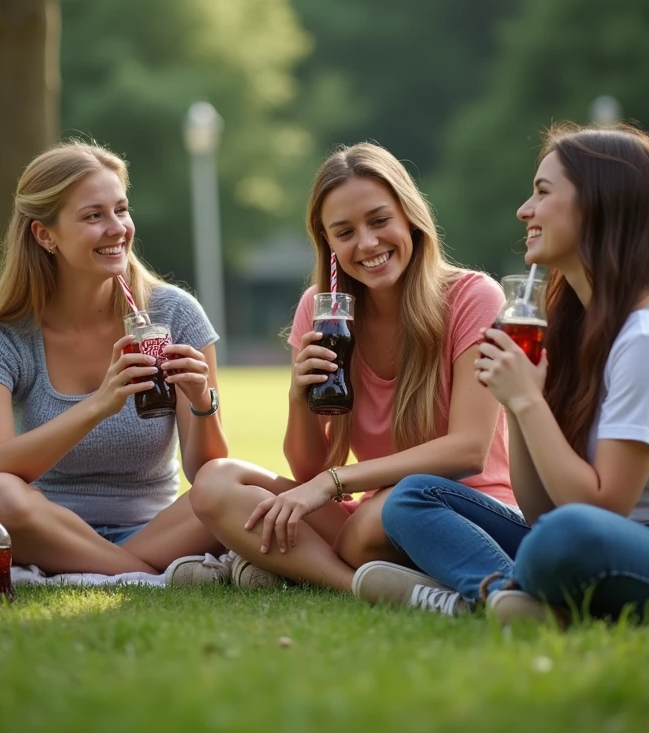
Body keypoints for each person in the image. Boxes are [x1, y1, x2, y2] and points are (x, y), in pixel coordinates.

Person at [180, 143, 516, 598]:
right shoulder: (322, 312)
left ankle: (311, 566)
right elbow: (308, 469)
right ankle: (368, 587)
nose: (367, 244)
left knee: (378, 516)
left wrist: (336, 482)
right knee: (215, 483)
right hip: (370, 511)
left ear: (409, 216)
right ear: (328, 242)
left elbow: (469, 450)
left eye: (379, 221)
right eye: (344, 232)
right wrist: (299, 398)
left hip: (467, 506)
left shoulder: (473, 297)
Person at [358, 124, 649, 625]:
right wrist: (517, 405)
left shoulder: (641, 339)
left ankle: (490, 592)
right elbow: (539, 511)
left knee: (565, 536)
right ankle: (505, 596)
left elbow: (602, 512)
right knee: (411, 495)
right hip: (574, 534)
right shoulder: (573, 330)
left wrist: (529, 402)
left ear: (599, 204)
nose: (524, 211)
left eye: (542, 192)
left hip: (611, 542)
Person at [0, 140, 230, 582]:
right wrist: (98, 405)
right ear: (44, 235)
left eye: (121, 210)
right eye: (93, 216)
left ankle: (124, 567)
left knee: (231, 482)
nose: (118, 228)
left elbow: (206, 473)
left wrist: (202, 401)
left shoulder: (173, 314)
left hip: (156, 529)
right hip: (47, 528)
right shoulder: (1, 339)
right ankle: (146, 577)